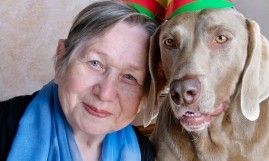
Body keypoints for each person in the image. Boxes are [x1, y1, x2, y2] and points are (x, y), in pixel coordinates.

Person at [0, 1, 157, 161]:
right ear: (61, 58)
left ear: (145, 97)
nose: (105, 94)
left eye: (129, 77)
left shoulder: (143, 153)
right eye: (95, 63)